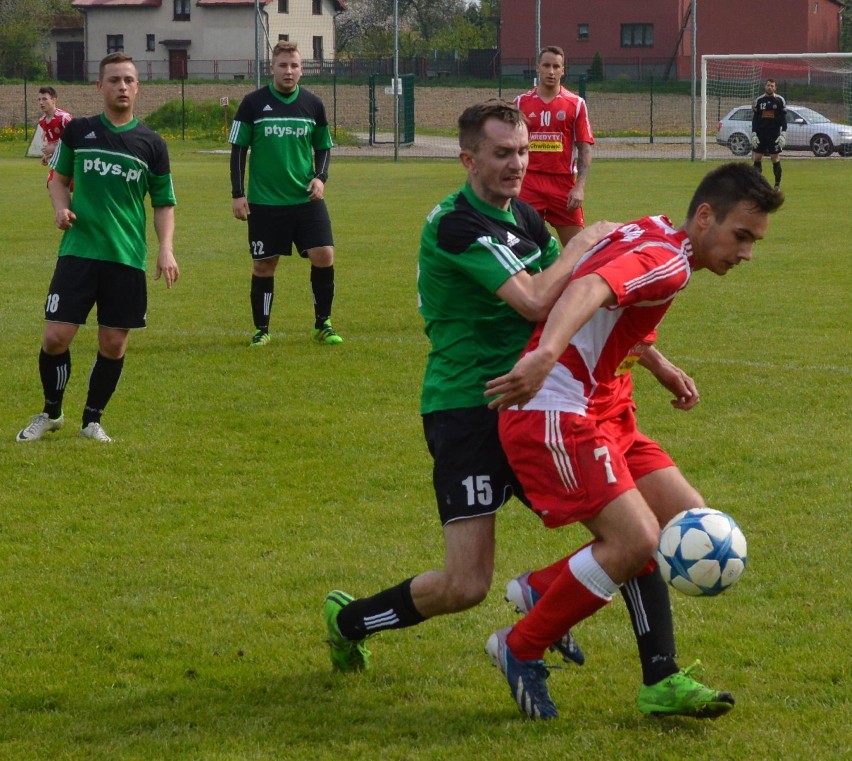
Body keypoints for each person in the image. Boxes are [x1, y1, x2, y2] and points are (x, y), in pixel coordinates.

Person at [482, 162, 784, 720]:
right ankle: (519, 646)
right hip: (556, 410)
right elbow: (594, 287)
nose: (746, 254)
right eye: (742, 236)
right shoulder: (670, 260)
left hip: (605, 407)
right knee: (636, 542)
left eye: (754, 241)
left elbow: (621, 303)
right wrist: (545, 355)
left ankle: (551, 595)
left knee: (686, 518)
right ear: (704, 216)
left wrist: (661, 365)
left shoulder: (660, 231)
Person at [322, 100, 615, 673]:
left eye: (524, 151)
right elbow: (535, 299)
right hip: (466, 407)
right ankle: (349, 620)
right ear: (468, 158)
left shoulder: (527, 219)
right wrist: (579, 243)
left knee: (620, 530)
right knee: (466, 585)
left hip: (533, 405)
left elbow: (575, 294)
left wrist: (651, 357)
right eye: (502, 153)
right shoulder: (457, 223)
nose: (517, 164)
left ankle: (649, 662)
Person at [16, 52, 179, 444]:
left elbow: (163, 202)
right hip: (79, 252)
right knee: (55, 337)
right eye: (114, 80)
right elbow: (58, 179)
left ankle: (92, 420)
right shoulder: (80, 132)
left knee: (113, 343)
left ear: (137, 87)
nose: (122, 86)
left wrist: (166, 249)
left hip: (125, 257)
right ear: (100, 86)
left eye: (128, 80)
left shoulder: (152, 144)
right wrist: (61, 209)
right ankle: (52, 412)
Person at [229, 41, 342, 348]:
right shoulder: (252, 103)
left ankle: (323, 324)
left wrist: (321, 178)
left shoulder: (313, 104)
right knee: (264, 265)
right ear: (272, 68)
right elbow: (239, 150)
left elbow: (324, 146)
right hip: (265, 202)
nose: (288, 71)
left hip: (306, 200)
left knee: (324, 254)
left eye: (294, 65)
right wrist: (238, 194)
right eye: (283, 65)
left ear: (301, 70)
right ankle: (261, 329)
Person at [514, 46, 594, 246]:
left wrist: (580, 187)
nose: (551, 71)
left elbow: (584, 148)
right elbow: (511, 146)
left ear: (563, 70)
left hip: (563, 185)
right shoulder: (520, 103)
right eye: (546, 65)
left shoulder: (576, 104)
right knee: (523, 250)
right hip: (529, 183)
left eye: (556, 66)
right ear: (538, 68)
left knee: (577, 252)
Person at [751, 78, 787, 189]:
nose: (770, 87)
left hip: (774, 135)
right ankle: (757, 185)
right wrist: (754, 133)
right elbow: (755, 119)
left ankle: (777, 185)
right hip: (761, 134)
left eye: (772, 86)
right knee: (757, 157)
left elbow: (783, 119)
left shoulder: (780, 100)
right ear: (765, 87)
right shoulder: (759, 101)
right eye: (768, 85)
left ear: (775, 88)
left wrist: (783, 134)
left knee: (775, 158)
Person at [37, 85, 73, 185]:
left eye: (44, 99)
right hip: (58, 164)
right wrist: (46, 156)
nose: (41, 102)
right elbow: (52, 143)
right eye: (39, 99)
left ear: (54, 100)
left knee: (55, 186)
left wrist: (56, 148)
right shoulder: (42, 121)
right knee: (52, 184)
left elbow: (76, 140)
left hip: (72, 164)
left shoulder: (64, 118)